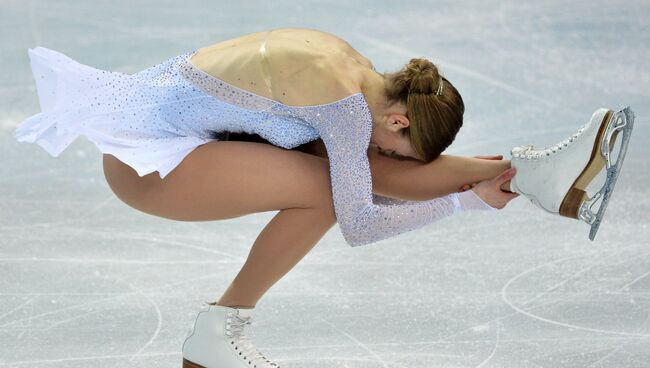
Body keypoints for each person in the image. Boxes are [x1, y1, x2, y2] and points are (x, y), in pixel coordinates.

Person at [14, 27, 632, 368]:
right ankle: (218, 330)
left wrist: (461, 186)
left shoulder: (353, 69)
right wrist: (464, 203)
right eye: (398, 149)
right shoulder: (341, 107)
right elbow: (359, 221)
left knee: (346, 174)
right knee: (329, 191)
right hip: (147, 163)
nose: (386, 154)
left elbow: (368, 178)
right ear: (398, 124)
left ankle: (535, 174)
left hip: (182, 140)